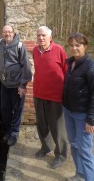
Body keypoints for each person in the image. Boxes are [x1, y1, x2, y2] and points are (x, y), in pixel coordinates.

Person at [33, 26, 68, 169]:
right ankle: (45, 147)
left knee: (57, 128)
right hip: (38, 93)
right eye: (39, 35)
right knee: (41, 125)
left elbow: (66, 71)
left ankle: (61, 155)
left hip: (55, 96)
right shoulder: (35, 50)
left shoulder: (59, 50)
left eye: (43, 35)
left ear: (50, 37)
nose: (41, 38)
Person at [62, 33, 94, 181]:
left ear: (85, 46)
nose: (74, 48)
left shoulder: (89, 66)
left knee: (85, 151)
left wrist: (91, 119)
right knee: (74, 144)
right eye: (71, 45)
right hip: (68, 111)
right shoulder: (70, 63)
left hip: (82, 115)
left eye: (78, 45)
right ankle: (79, 175)